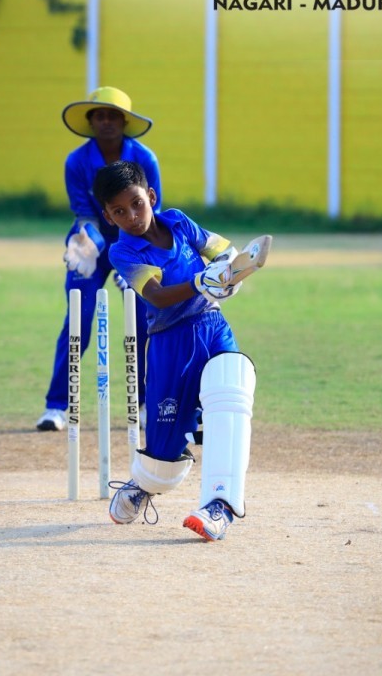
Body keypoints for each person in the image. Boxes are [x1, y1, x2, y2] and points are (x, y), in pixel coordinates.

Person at [93, 160, 255, 542]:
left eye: (136, 203)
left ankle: (220, 506)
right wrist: (202, 281)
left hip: (212, 324)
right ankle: (146, 483)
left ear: (151, 196)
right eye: (119, 211)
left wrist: (229, 273)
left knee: (230, 396)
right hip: (170, 342)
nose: (132, 216)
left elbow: (223, 249)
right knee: (165, 445)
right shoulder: (123, 253)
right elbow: (158, 297)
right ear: (109, 217)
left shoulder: (179, 222)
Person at [37, 86, 161, 432]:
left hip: (135, 243)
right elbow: (84, 212)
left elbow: (150, 213)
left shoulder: (145, 159)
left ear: (124, 122)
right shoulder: (76, 161)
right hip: (89, 245)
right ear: (91, 122)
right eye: (99, 116)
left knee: (143, 323)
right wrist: (88, 241)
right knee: (78, 321)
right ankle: (56, 407)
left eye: (113, 116)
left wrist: (132, 259)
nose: (106, 122)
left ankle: (145, 404)